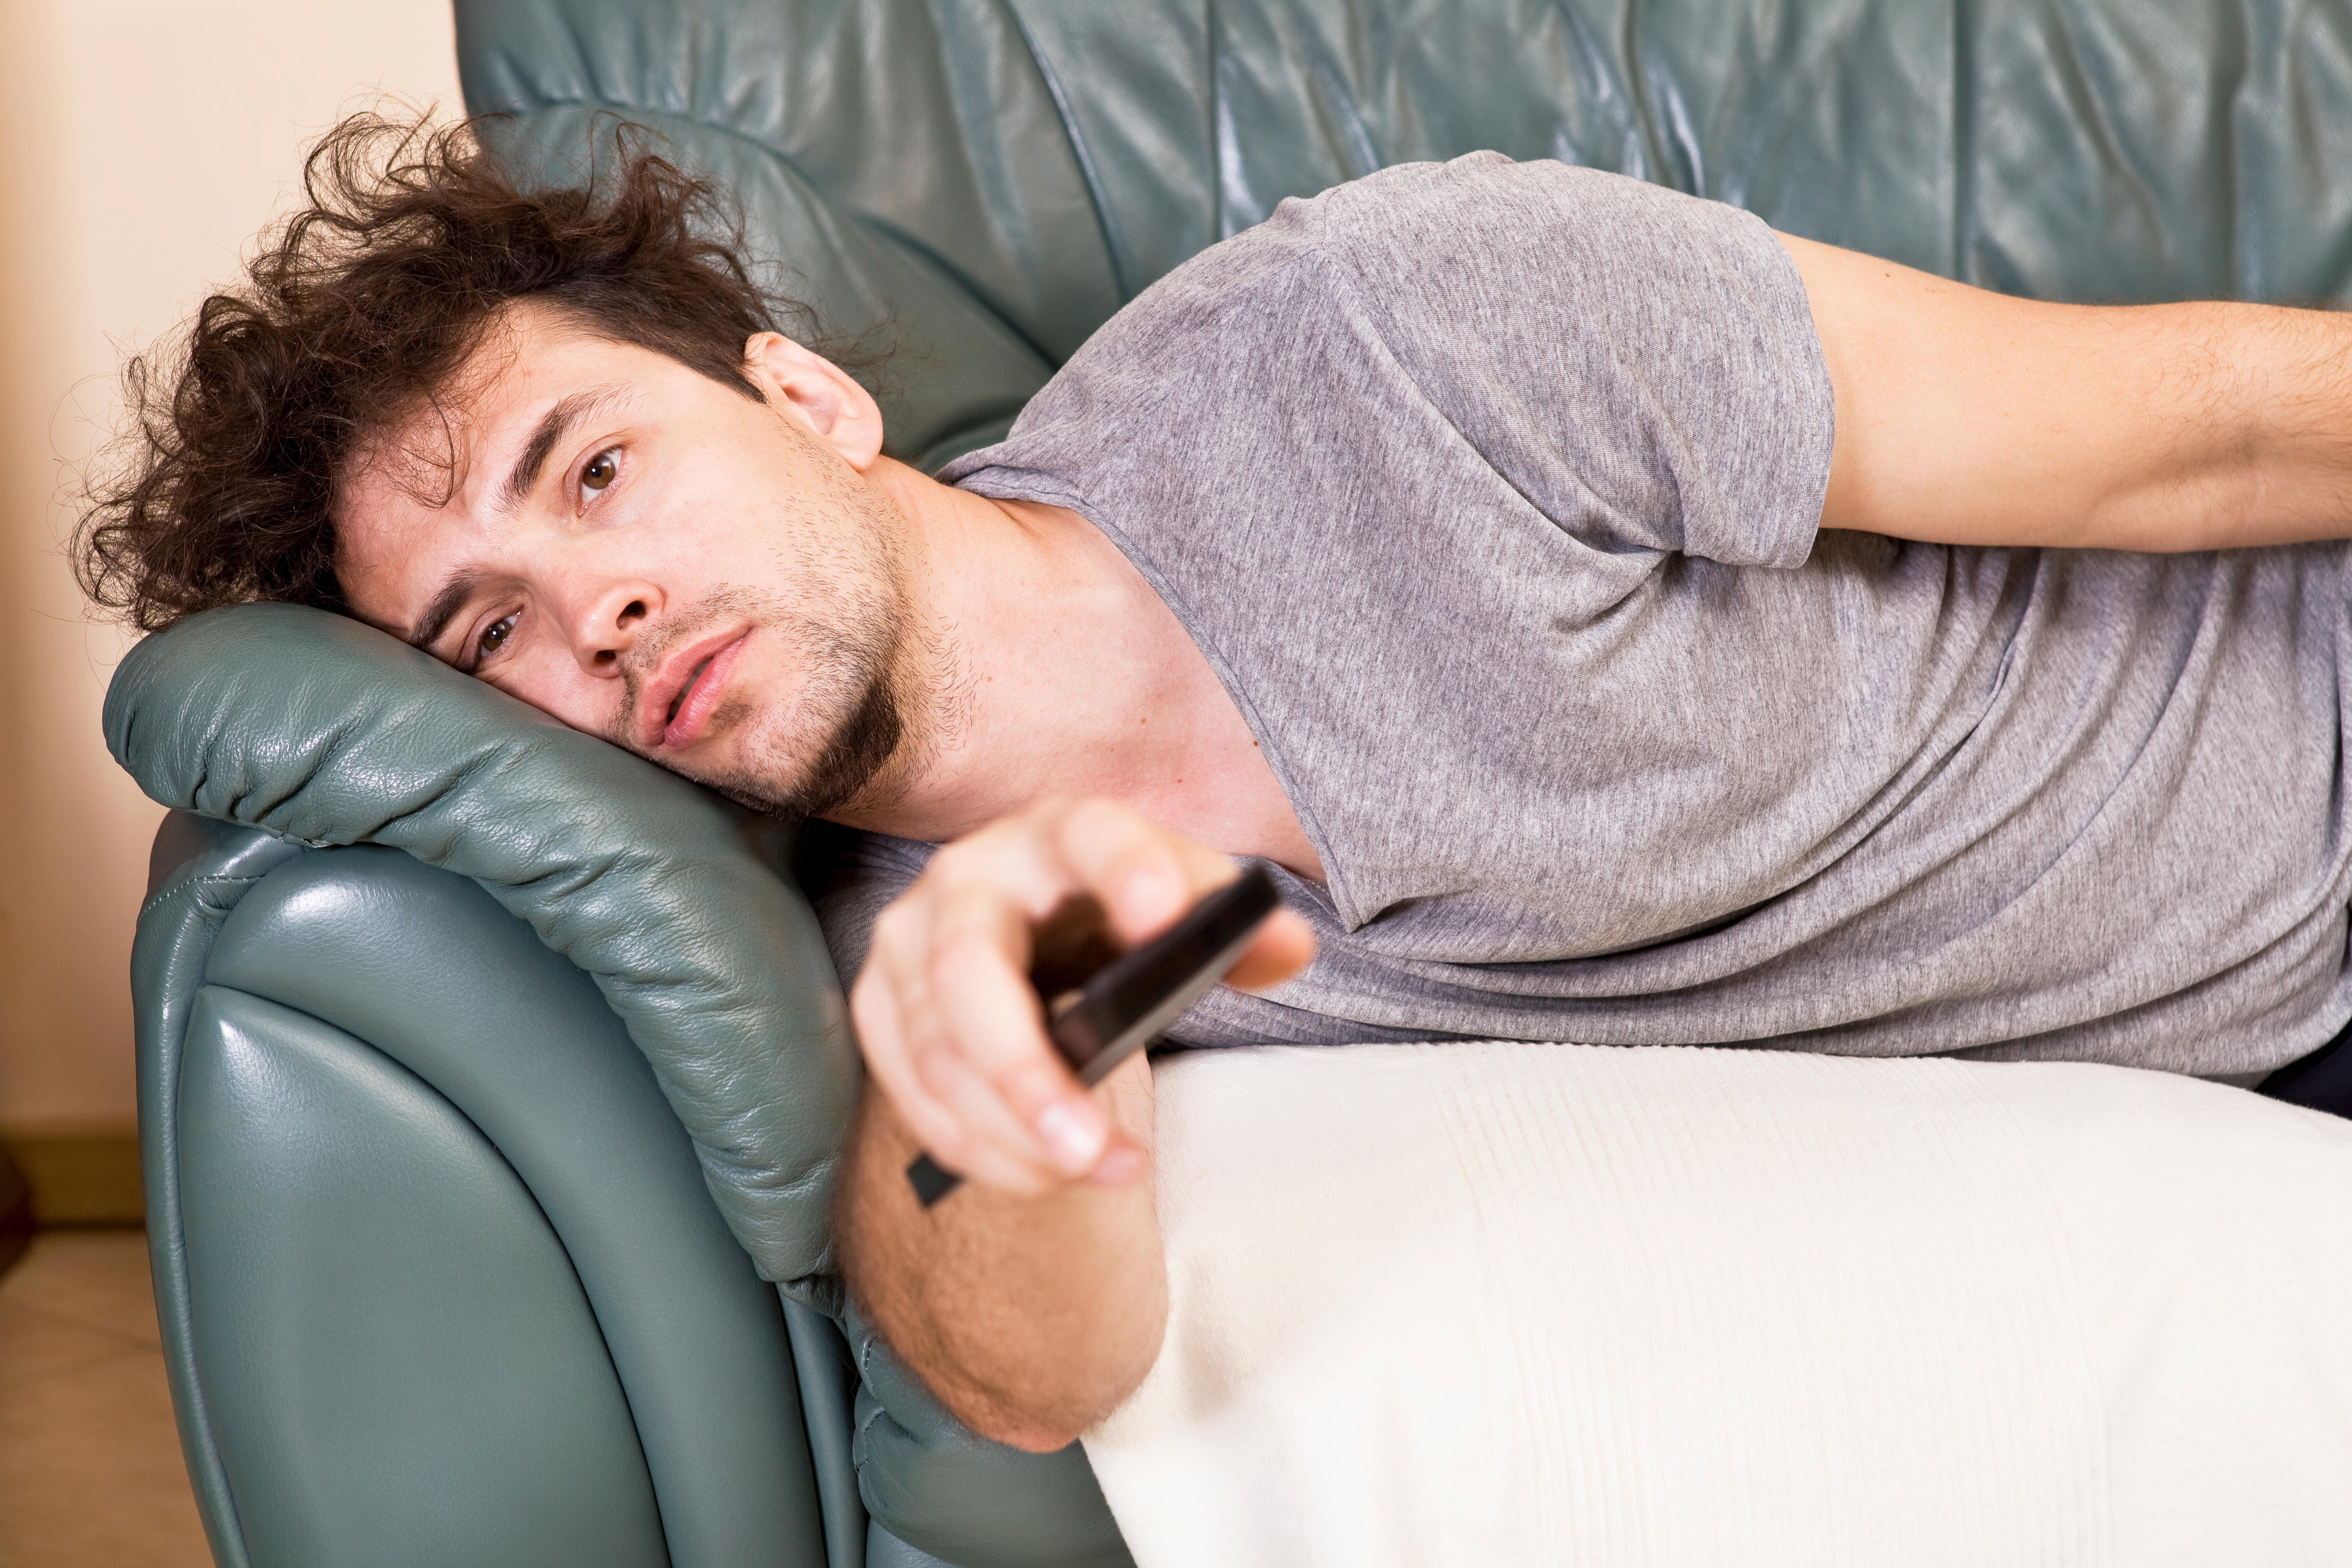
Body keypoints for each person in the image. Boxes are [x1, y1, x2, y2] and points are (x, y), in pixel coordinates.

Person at [76, 115, 2352, 1449]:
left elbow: (2207, 430)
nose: (593, 612)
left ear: (805, 397)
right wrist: (1015, 1090)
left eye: (597, 472)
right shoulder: (962, 948)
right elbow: (1017, 1366)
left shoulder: (1402, 340)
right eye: (483, 631)